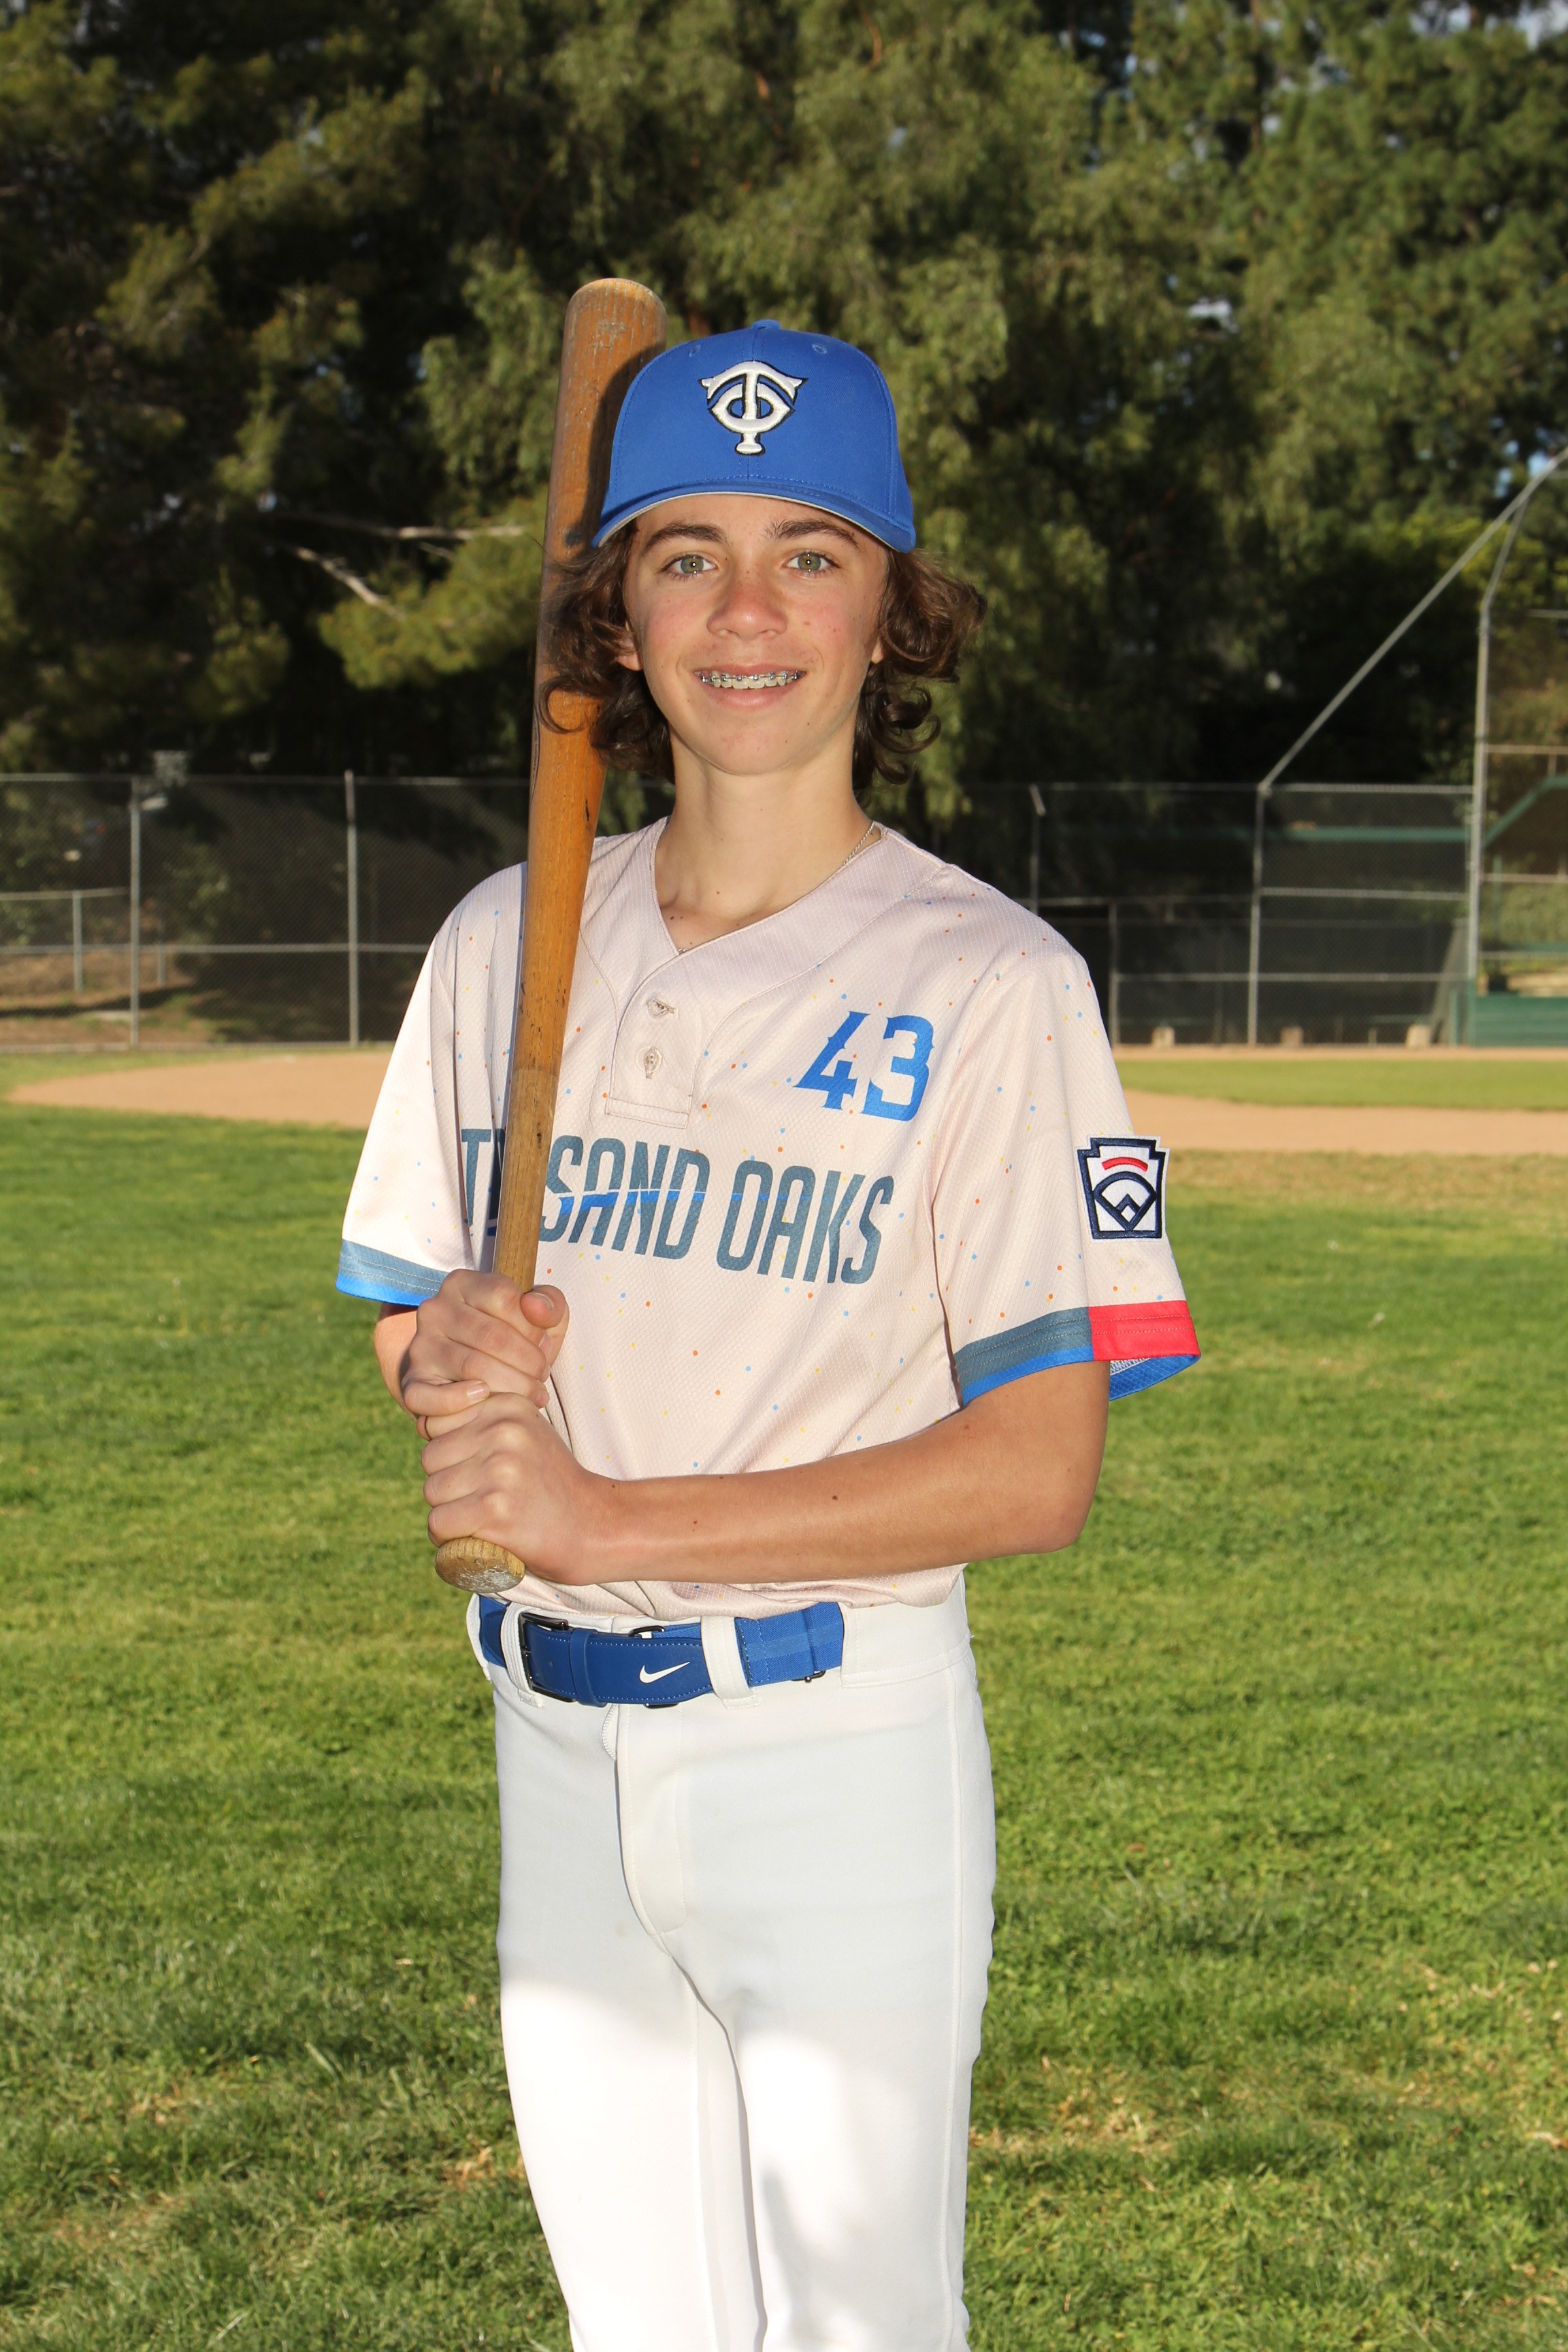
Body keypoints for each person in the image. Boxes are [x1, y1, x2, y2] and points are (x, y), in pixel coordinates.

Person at [338, 319, 1198, 2352]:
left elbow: (1039, 1470)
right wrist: (452, 1365)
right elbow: (417, 1326)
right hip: (554, 1744)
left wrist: (603, 1509)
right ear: (617, 615)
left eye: (810, 554)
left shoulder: (991, 983)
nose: (747, 613)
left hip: (834, 1751)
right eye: (686, 555)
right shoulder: (505, 940)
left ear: (890, 613)